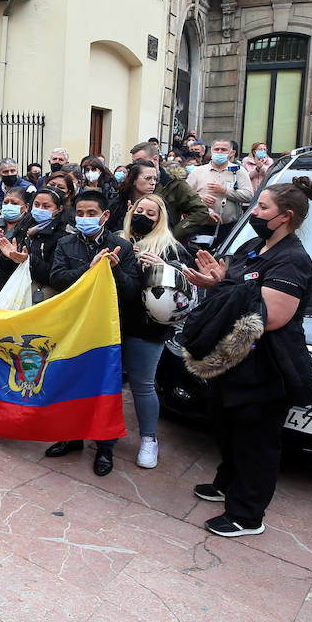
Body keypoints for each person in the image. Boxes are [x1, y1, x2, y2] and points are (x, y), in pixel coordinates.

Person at [183, 178, 312, 536]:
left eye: (262, 208)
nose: (254, 213)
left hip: (264, 368)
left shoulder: (292, 261)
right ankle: (227, 484)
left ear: (285, 217)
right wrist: (215, 281)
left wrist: (226, 285)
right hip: (233, 362)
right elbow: (239, 289)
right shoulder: (254, 246)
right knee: (228, 429)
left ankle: (247, 515)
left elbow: (272, 316)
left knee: (256, 442)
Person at [43, 189, 141, 476]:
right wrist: (90, 269)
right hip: (74, 328)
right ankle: (71, 437)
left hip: (106, 332)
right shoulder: (66, 243)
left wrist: (115, 270)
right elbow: (57, 279)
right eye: (81, 214)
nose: (85, 219)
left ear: (105, 215)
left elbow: (133, 292)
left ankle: (104, 447)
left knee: (104, 388)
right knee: (72, 381)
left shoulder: (120, 245)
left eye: (92, 214)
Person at [120, 194, 194, 468]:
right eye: (140, 210)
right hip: (112, 323)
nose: (144, 216)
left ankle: (149, 440)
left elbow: (187, 288)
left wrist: (164, 269)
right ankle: (107, 432)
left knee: (142, 385)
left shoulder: (171, 248)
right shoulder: (119, 240)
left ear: (161, 219)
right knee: (110, 380)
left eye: (152, 214)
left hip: (146, 328)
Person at [188, 139, 253, 244]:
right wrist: (200, 199)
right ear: (212, 151)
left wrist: (225, 191)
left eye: (223, 150)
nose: (219, 152)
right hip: (200, 227)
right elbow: (185, 197)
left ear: (231, 153)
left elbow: (248, 195)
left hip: (228, 228)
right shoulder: (197, 172)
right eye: (217, 149)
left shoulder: (239, 171)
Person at [158, 159, 214, 242]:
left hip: (165, 239)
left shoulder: (178, 183)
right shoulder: (134, 179)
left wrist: (173, 233)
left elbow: (201, 211)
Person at [107, 161, 160, 233]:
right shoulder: (116, 206)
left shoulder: (159, 205)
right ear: (134, 180)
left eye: (155, 179)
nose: (153, 183)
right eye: (148, 178)